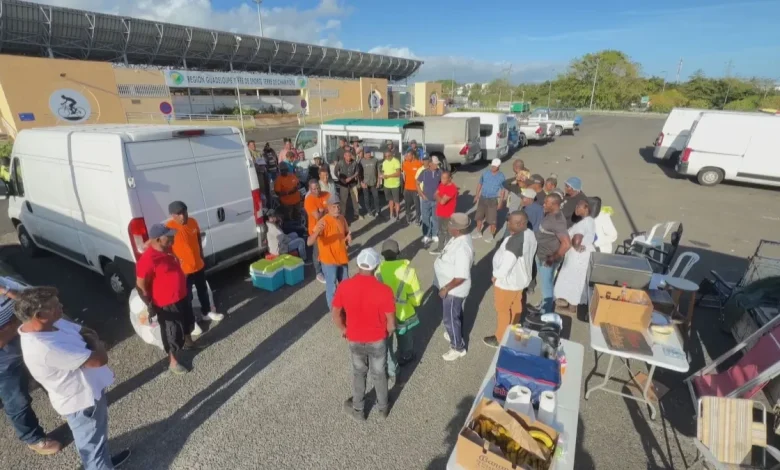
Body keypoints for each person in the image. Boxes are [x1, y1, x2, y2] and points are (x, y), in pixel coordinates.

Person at [15, 287, 131, 469]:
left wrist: (91, 340)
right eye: (54, 305)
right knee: (92, 448)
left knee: (96, 440)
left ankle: (104, 463)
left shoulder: (51, 324)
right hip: (82, 401)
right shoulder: (44, 347)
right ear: (39, 315)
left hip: (88, 393)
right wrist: (95, 343)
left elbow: (85, 330)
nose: (61, 306)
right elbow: (99, 358)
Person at [0, 281, 63, 456]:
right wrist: (19, 321)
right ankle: (33, 438)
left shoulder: (3, 282)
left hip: (30, 337)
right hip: (4, 356)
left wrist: (6, 290)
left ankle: (67, 409)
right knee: (16, 399)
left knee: (51, 377)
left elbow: (34, 301)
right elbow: (28, 313)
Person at [331, 248, 395, 421]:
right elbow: (391, 323)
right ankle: (383, 409)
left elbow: (336, 313)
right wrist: (386, 333)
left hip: (355, 338)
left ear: (358, 264)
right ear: (376, 267)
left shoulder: (344, 286)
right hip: (377, 339)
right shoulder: (385, 290)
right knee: (379, 373)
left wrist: (344, 329)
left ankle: (359, 410)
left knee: (359, 372)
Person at [136, 224, 197, 374]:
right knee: (172, 331)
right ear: (157, 239)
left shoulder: (167, 250)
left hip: (181, 295)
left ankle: (189, 343)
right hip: (166, 302)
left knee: (188, 320)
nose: (172, 238)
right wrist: (149, 303)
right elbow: (140, 284)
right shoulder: (148, 259)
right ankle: (173, 362)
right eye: (168, 236)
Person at [166, 201, 224, 337]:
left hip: (198, 265)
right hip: (183, 271)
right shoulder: (169, 228)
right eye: (179, 214)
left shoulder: (192, 222)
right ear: (173, 215)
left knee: (203, 290)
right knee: (187, 298)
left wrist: (201, 256)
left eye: (184, 212)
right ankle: (191, 324)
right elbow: (165, 247)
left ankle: (206, 312)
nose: (182, 216)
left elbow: (198, 237)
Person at [484, 211, 537, 348]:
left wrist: (496, 275)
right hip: (520, 280)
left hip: (507, 283)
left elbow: (506, 266)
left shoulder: (514, 242)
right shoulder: (530, 234)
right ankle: (514, 332)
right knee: (516, 306)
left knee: (503, 310)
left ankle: (500, 338)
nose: (507, 224)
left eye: (510, 222)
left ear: (519, 224)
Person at [377, 240, 423, 377]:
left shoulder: (378, 271)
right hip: (404, 312)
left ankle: (389, 361)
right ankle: (406, 355)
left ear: (383, 255)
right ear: (398, 253)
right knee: (405, 336)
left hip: (385, 314)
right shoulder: (409, 271)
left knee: (387, 340)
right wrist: (414, 303)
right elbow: (416, 297)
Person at [433, 213, 474, 361]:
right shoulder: (459, 237)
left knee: (450, 319)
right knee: (455, 315)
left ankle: (457, 347)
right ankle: (456, 334)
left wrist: (445, 289)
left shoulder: (462, 248)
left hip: (453, 290)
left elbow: (461, 276)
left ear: (457, 229)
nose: (448, 225)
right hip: (450, 286)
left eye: (450, 224)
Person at [307, 193, 351, 309]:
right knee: (332, 287)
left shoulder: (342, 218)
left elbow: (346, 232)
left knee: (345, 286)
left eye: (338, 206)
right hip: (329, 261)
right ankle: (334, 312)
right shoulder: (323, 222)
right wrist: (317, 232)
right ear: (328, 208)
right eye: (334, 207)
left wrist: (348, 237)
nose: (337, 209)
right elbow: (309, 242)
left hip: (342, 259)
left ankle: (346, 308)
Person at [554, 200, 596, 314]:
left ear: (586, 208)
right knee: (579, 280)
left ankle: (570, 305)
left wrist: (574, 245)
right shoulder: (591, 221)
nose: (576, 208)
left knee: (571, 279)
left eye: (579, 207)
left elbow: (577, 240)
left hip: (576, 257)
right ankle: (572, 305)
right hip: (584, 255)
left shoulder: (582, 224)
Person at [534, 194, 571, 314]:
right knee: (545, 284)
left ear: (554, 204)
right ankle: (544, 304)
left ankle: (545, 314)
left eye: (546, 203)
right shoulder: (551, 214)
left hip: (547, 258)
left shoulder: (557, 221)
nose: (544, 204)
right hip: (542, 255)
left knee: (546, 287)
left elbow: (566, 244)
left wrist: (552, 258)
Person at [473, 158, 506, 242]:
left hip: (492, 199)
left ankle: (492, 235)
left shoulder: (501, 177)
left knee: (492, 220)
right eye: (492, 165)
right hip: (483, 198)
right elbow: (480, 184)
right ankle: (479, 232)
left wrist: (501, 202)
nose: (493, 167)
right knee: (479, 217)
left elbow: (502, 190)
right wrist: (477, 195)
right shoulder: (485, 173)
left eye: (495, 166)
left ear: (498, 166)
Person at [304, 179, 330, 283]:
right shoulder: (309, 200)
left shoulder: (327, 194)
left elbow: (335, 208)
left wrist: (322, 210)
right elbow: (318, 217)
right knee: (317, 252)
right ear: (310, 190)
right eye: (314, 189)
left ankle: (328, 267)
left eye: (318, 187)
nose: (317, 190)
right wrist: (324, 210)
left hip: (328, 228)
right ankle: (318, 272)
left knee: (327, 249)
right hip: (315, 231)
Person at [417, 155, 442, 245]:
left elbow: (444, 183)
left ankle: (435, 234)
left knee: (435, 218)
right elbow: (417, 183)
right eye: (435, 164)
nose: (437, 166)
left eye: (437, 164)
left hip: (436, 201)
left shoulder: (440, 172)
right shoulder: (424, 172)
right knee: (425, 218)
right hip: (426, 200)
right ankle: (426, 235)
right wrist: (421, 194)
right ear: (430, 164)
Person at [432, 170, 458, 255]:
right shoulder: (441, 184)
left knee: (447, 232)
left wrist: (437, 196)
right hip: (440, 213)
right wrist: (438, 196)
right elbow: (435, 194)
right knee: (441, 231)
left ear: (449, 178)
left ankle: (448, 250)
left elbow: (442, 201)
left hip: (448, 215)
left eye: (444, 178)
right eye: (441, 178)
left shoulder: (452, 188)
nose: (442, 180)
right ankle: (440, 248)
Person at [335, 150, 362, 220]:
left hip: (353, 184)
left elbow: (357, 172)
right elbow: (335, 171)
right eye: (347, 156)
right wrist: (340, 179)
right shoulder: (340, 162)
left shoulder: (354, 163)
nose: (349, 157)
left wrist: (351, 177)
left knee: (355, 199)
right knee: (343, 200)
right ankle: (343, 215)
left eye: (350, 155)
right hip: (343, 184)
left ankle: (356, 214)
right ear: (344, 156)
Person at [402, 150, 423, 225]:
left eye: (408, 156)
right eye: (406, 156)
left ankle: (418, 219)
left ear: (413, 156)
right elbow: (403, 173)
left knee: (417, 205)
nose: (407, 157)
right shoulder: (405, 163)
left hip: (416, 189)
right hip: (407, 189)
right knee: (407, 205)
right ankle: (408, 217)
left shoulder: (419, 163)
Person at [358, 147, 381, 217]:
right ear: (364, 154)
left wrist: (378, 182)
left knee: (376, 197)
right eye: (366, 153)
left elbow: (378, 171)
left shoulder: (375, 160)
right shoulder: (361, 161)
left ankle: (377, 211)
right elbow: (359, 173)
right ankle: (369, 211)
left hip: (374, 182)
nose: (368, 154)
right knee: (367, 198)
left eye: (369, 152)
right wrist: (361, 182)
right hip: (365, 183)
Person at [381, 150, 402, 221]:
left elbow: (398, 173)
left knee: (396, 201)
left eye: (388, 156)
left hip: (395, 185)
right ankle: (391, 213)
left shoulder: (396, 161)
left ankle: (397, 215)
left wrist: (388, 176)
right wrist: (382, 176)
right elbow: (384, 172)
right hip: (386, 185)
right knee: (390, 200)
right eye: (385, 156)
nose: (387, 157)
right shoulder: (384, 162)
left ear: (392, 155)